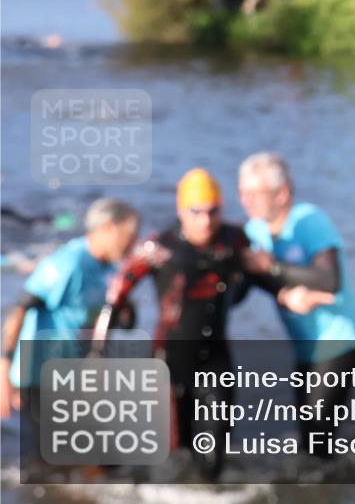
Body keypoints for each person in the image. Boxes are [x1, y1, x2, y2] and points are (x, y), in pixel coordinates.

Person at [100, 168, 334, 478]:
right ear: (181, 210)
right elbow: (116, 293)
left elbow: (256, 274)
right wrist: (98, 349)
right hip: (169, 364)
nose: (205, 220)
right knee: (175, 457)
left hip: (215, 361)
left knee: (212, 459)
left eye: (213, 211)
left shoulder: (233, 239)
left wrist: (286, 294)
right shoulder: (159, 248)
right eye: (196, 212)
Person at [238, 152, 355, 457]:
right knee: (310, 437)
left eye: (256, 194)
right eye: (243, 193)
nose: (247, 201)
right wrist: (283, 294)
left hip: (339, 342)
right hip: (305, 348)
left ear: (282, 194)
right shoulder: (254, 230)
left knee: (317, 435)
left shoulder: (310, 221)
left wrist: (273, 268)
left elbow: (329, 278)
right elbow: (250, 278)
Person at [0, 198, 140, 419]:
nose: (133, 245)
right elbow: (19, 309)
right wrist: (4, 373)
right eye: (129, 237)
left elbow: (123, 323)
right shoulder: (69, 263)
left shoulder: (112, 269)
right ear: (108, 229)